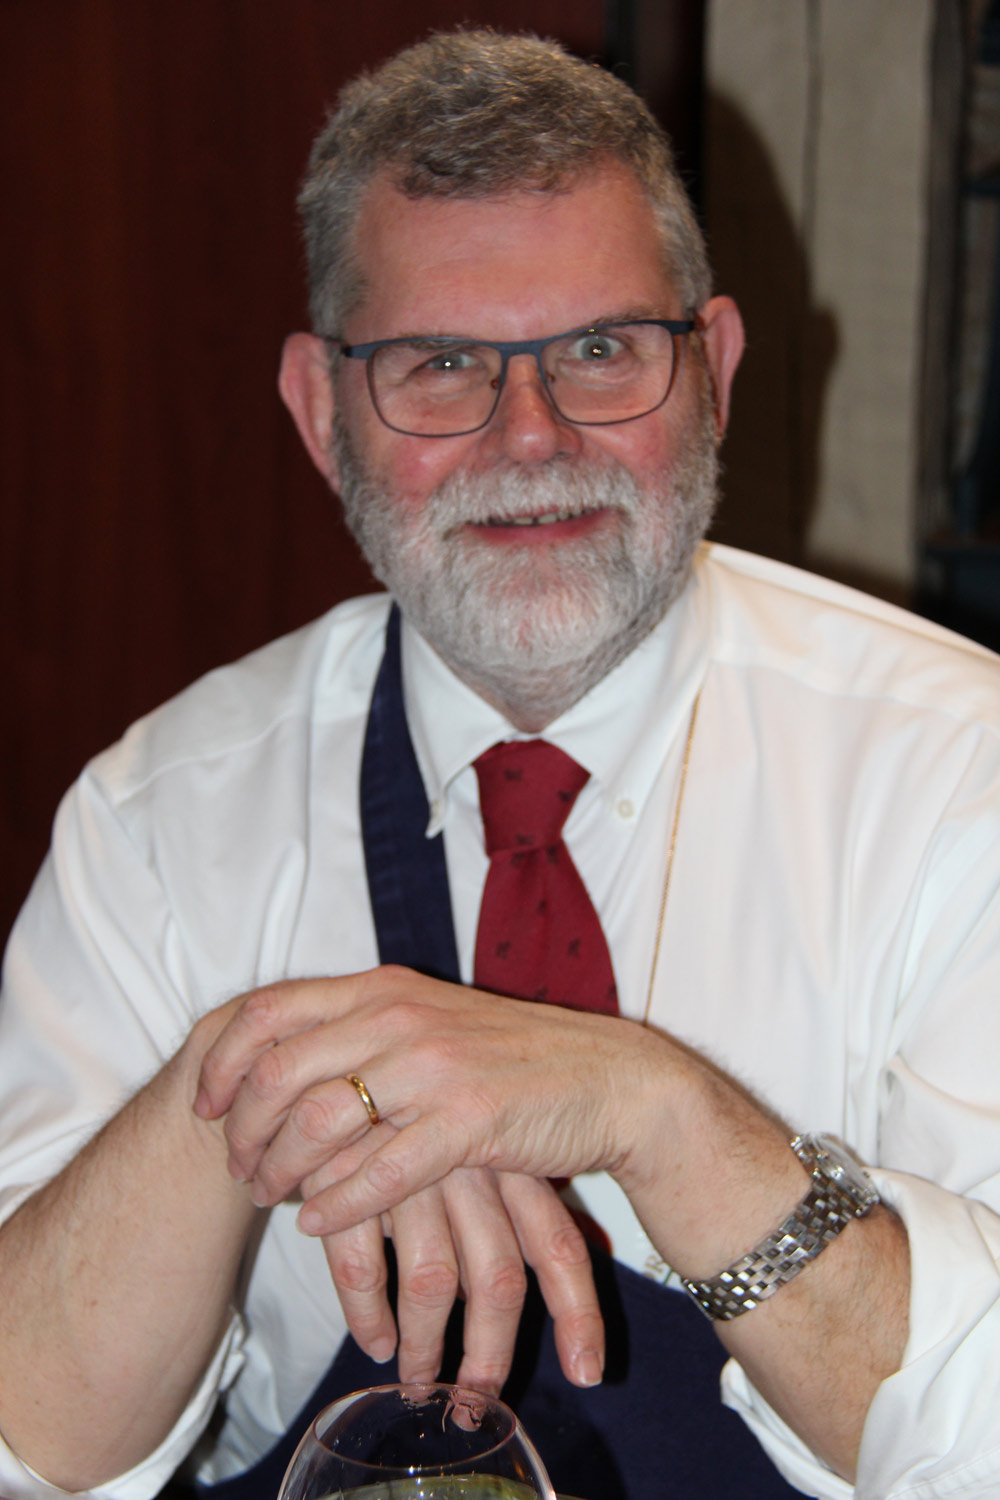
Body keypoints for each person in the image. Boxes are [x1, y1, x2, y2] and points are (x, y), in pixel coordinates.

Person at [1, 27, 998, 1500]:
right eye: (442, 364)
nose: (530, 440)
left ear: (715, 371)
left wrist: (658, 1114)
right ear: (320, 412)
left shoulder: (956, 777)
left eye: (601, 350)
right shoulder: (158, 822)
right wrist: (252, 1087)